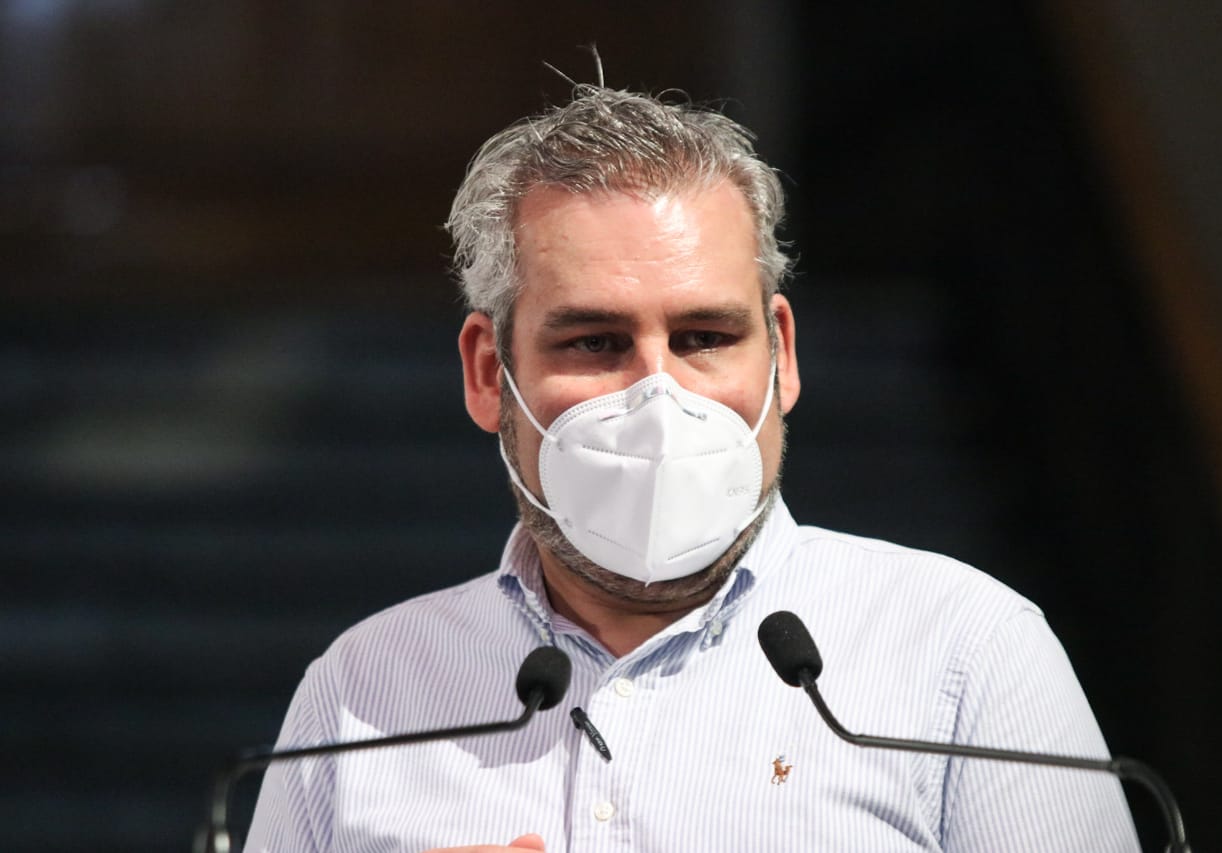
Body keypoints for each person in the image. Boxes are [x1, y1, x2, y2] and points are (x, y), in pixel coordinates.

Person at [244, 84, 1140, 852]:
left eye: (704, 337)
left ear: (781, 356)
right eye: (595, 341)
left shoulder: (966, 653)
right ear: (489, 373)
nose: (657, 395)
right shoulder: (362, 694)